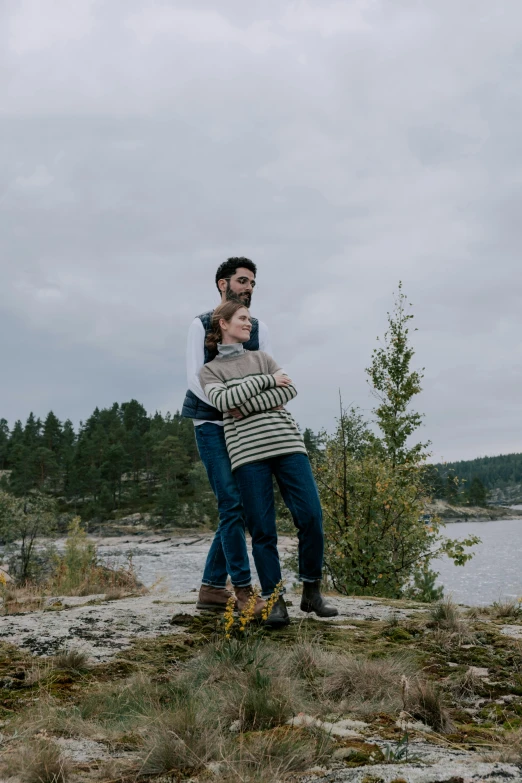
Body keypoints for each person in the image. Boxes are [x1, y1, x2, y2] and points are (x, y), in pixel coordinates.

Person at [199, 300, 338, 627]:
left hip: (289, 445)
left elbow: (288, 392)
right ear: (224, 323)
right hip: (247, 455)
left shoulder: (262, 358)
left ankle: (311, 592)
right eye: (243, 318)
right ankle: (276, 602)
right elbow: (222, 400)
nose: (249, 323)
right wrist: (265, 383)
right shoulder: (210, 371)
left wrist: (244, 402)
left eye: (249, 319)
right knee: (263, 531)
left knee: (312, 516)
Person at [181, 258, 272, 617]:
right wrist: (227, 405)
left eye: (252, 283)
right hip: (209, 424)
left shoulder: (259, 327)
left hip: (246, 425)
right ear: (223, 284)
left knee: (243, 508)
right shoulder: (199, 324)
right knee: (230, 504)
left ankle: (210, 589)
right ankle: (243, 591)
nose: (249, 288)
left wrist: (247, 408)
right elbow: (194, 377)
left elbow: (268, 369)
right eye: (242, 281)